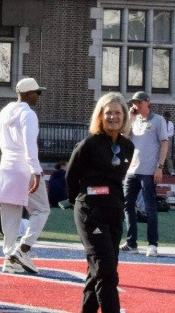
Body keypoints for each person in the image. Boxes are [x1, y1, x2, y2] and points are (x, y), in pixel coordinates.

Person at [66, 92, 135, 313]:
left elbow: (116, 180)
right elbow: (71, 177)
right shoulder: (88, 144)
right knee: (106, 273)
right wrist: (84, 201)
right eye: (108, 113)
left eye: (117, 112)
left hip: (114, 213)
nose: (113, 117)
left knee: (98, 270)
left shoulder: (127, 147)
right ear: (100, 116)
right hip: (90, 212)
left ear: (124, 115)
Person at [0, 77, 49, 275]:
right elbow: (29, 145)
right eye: (36, 93)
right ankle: (23, 249)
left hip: (6, 167)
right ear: (27, 94)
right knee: (41, 210)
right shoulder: (29, 114)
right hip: (24, 168)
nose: (38, 97)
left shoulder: (5, 111)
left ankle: (9, 257)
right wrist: (36, 170)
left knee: (9, 215)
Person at [121, 91, 168, 257]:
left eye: (139, 102)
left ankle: (152, 244)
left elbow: (164, 143)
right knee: (127, 205)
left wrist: (159, 167)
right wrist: (130, 118)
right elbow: (123, 138)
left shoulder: (158, 120)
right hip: (132, 170)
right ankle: (131, 242)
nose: (136, 105)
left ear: (148, 102)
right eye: (134, 102)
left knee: (149, 207)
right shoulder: (134, 120)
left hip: (148, 171)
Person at [161, 111, 175, 175]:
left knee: (168, 156)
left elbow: (171, 133)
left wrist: (165, 135)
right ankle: (160, 170)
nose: (166, 119)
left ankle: (171, 171)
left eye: (167, 118)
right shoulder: (160, 123)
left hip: (168, 139)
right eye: (165, 117)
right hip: (161, 139)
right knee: (160, 155)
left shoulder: (171, 124)